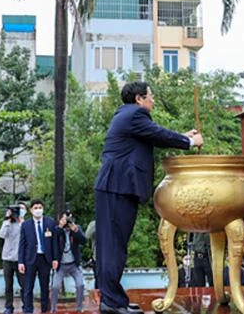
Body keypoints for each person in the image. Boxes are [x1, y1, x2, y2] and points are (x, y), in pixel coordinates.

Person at [94, 81, 204, 314]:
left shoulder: (128, 116)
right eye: (150, 96)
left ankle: (114, 300)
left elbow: (154, 136)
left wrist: (183, 136)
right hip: (117, 187)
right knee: (113, 247)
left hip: (116, 187)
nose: (153, 100)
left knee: (113, 246)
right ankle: (111, 303)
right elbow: (158, 134)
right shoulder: (135, 115)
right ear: (139, 99)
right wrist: (189, 142)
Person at [18, 199, 59, 314]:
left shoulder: (50, 223)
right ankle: (28, 310)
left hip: (45, 259)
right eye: (35, 208)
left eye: (40, 207)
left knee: (44, 287)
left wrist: (55, 258)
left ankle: (44, 309)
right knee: (28, 287)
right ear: (31, 210)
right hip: (30, 259)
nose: (38, 210)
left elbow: (54, 242)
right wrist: (21, 261)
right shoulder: (25, 225)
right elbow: (22, 244)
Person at [50, 212, 88, 312]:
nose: (67, 222)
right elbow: (53, 239)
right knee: (55, 286)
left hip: (74, 264)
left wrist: (75, 230)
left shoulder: (76, 228)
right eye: (65, 219)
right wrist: (60, 226)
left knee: (80, 285)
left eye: (68, 219)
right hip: (61, 265)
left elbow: (84, 241)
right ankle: (53, 309)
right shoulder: (58, 230)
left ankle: (79, 308)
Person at [0, 201, 27, 314]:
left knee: (24, 284)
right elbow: (2, 234)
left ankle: (26, 305)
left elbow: (27, 236)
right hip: (7, 258)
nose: (18, 211)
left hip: (21, 259)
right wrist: (7, 219)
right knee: (8, 285)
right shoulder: (7, 223)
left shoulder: (26, 224)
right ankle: (8, 307)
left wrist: (20, 221)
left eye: (21, 209)